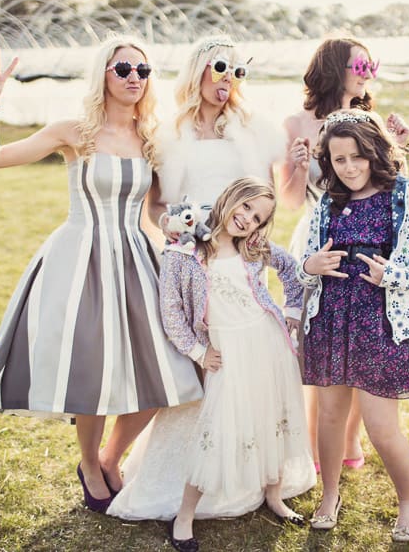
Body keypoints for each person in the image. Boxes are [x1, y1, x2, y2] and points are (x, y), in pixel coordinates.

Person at [0, 39, 203, 513]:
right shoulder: (75, 131)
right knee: (92, 369)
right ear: (104, 74)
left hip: (137, 256)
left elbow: (154, 209)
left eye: (143, 69)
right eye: (123, 68)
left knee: (171, 366)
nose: (134, 76)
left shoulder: (151, 138)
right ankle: (89, 464)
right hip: (81, 259)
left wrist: (184, 229)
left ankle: (113, 457)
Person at [115, 178, 315, 552]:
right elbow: (171, 311)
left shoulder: (253, 247)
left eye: (257, 218)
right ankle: (185, 515)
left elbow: (290, 271)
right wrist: (197, 352)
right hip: (225, 351)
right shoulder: (184, 251)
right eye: (245, 208)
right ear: (229, 199)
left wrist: (290, 312)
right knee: (217, 431)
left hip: (267, 342)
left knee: (272, 419)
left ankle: (273, 494)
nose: (247, 220)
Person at [297, 109, 409, 542]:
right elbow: (306, 265)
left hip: (379, 322)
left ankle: (408, 499)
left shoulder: (405, 194)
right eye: (339, 160)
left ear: (376, 151)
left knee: (381, 426)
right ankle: (329, 495)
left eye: (358, 157)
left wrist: (392, 276)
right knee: (329, 417)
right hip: (331, 319)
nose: (350, 167)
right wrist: (311, 264)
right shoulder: (328, 202)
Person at [281, 37, 409, 473]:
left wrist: (401, 146)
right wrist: (299, 166)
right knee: (321, 348)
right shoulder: (297, 122)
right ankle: (317, 443)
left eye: (372, 65)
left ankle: (351, 438)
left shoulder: (369, 119)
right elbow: (291, 200)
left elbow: (393, 187)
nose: (368, 72)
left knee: (364, 347)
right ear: (336, 66)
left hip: (370, 244)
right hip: (321, 243)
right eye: (361, 63)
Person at [152, 35, 283, 222]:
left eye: (237, 71)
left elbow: (268, 199)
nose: (228, 78)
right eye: (220, 67)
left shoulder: (254, 130)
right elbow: (156, 205)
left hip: (237, 244)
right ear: (197, 71)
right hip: (188, 243)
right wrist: (171, 225)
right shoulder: (168, 135)